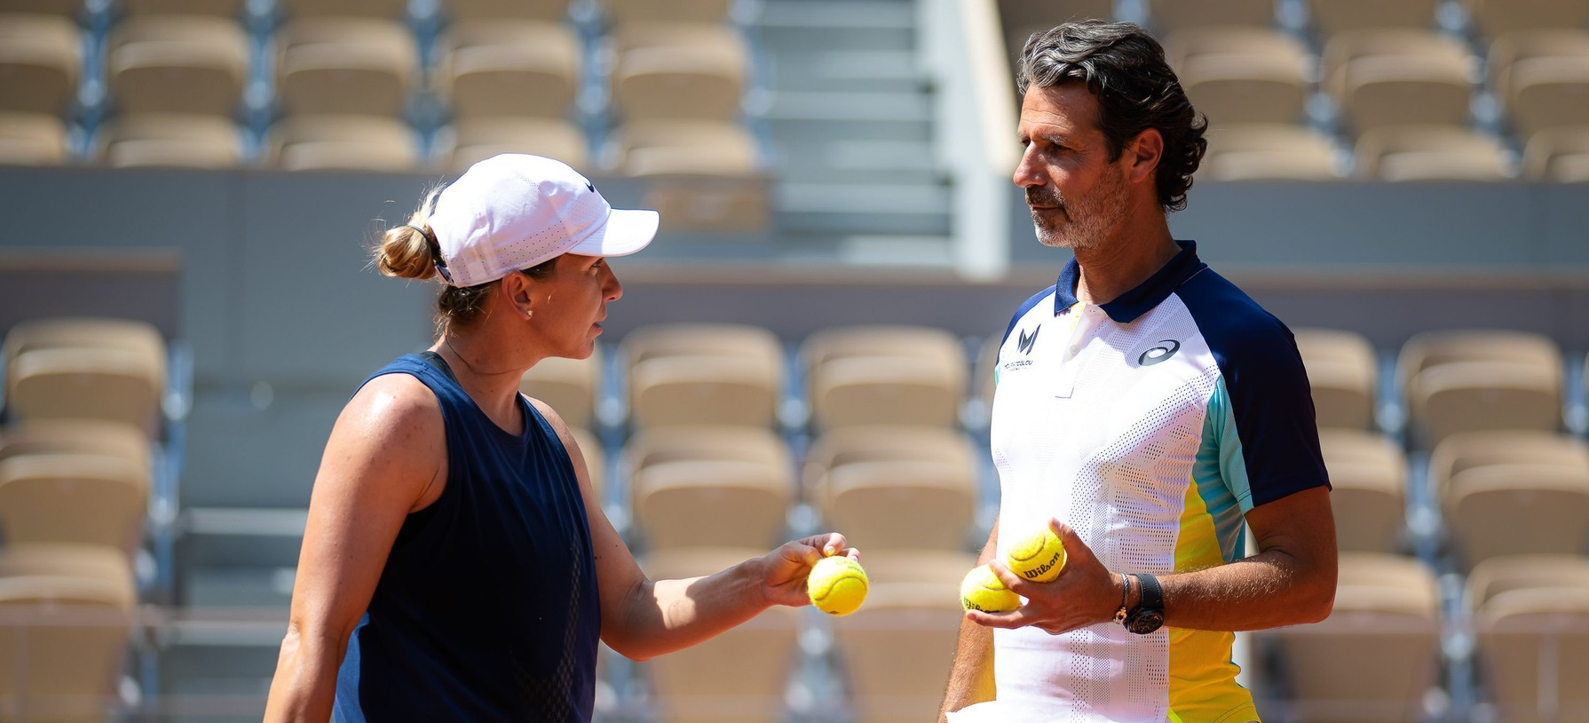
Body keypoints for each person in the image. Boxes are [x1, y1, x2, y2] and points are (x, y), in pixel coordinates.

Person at [263, 154, 857, 722]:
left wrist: (763, 581)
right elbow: (313, 639)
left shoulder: (550, 434)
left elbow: (630, 613)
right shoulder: (399, 417)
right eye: (594, 267)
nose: (615, 287)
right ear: (520, 291)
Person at [938, 22, 1337, 723]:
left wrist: (1125, 596)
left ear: (1141, 154)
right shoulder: (1025, 329)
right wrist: (953, 712)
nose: (1024, 173)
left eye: (1057, 149)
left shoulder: (1241, 342)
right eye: (1026, 142)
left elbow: (1307, 581)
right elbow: (1008, 537)